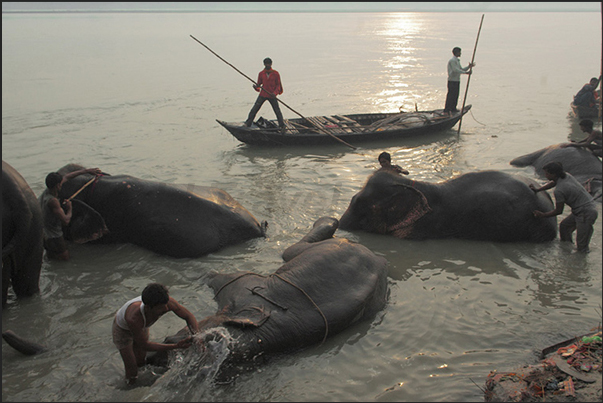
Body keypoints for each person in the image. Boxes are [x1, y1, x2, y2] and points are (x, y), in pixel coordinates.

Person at [112, 283, 200, 386]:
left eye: (166, 304)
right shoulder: (134, 318)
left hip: (143, 326)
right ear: (149, 308)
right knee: (132, 369)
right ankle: (129, 387)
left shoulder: (167, 302)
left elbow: (188, 316)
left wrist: (197, 336)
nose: (166, 308)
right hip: (123, 330)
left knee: (141, 361)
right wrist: (176, 346)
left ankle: (141, 381)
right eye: (161, 308)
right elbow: (145, 345)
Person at [530, 161, 598, 252]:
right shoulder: (566, 176)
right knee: (565, 227)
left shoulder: (559, 190)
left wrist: (543, 215)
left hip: (586, 212)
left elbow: (558, 211)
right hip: (583, 208)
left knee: (582, 246)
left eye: (547, 173)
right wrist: (538, 189)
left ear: (553, 174)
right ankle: (567, 251)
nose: (545, 175)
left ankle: (580, 261)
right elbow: (553, 182)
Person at [38, 167, 102, 260]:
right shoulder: (52, 201)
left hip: (44, 232)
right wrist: (69, 208)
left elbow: (67, 177)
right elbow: (66, 221)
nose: (62, 184)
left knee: (51, 256)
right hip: (54, 235)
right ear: (57, 186)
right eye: (60, 184)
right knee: (65, 257)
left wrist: (87, 171)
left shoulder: (47, 192)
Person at [244, 57, 285, 129]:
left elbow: (278, 85)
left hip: (272, 95)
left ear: (271, 64)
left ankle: (282, 125)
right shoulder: (261, 73)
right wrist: (256, 87)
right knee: (255, 109)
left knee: (277, 110)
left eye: (268, 64)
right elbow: (259, 84)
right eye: (266, 64)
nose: (267, 65)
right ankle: (248, 123)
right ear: (264, 64)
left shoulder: (275, 73)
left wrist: (275, 93)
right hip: (263, 94)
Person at [444, 47, 475, 115]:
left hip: (457, 80)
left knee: (456, 95)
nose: (460, 53)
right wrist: (466, 73)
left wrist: (468, 67)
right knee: (451, 95)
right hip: (452, 80)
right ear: (457, 52)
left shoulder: (457, 61)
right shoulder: (452, 61)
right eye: (459, 52)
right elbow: (456, 70)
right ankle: (447, 109)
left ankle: (453, 108)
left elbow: (461, 69)